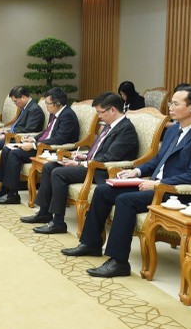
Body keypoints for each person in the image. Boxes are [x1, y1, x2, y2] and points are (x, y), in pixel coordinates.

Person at [62, 86, 191, 278]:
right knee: (103, 191)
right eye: (170, 103)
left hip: (177, 193)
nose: (170, 107)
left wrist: (158, 184)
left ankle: (118, 262)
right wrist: (136, 171)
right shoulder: (175, 130)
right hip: (156, 185)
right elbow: (157, 160)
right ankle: (91, 244)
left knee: (125, 200)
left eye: (175, 103)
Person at [21, 92, 139, 233]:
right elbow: (99, 150)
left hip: (101, 171)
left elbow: (109, 158)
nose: (99, 116)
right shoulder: (110, 125)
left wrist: (80, 164)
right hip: (91, 164)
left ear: (112, 110)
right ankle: (44, 213)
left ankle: (58, 222)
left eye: (100, 112)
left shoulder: (126, 130)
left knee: (59, 173)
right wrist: (83, 156)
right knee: (50, 166)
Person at [0, 87, 79, 204]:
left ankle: (13, 194)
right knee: (7, 148)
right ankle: (4, 188)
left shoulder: (67, 116)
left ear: (58, 103)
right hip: (42, 145)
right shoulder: (54, 112)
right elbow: (47, 131)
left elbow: (60, 139)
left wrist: (34, 144)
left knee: (15, 154)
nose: (46, 106)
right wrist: (32, 138)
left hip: (52, 150)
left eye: (48, 103)